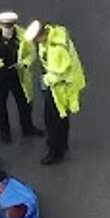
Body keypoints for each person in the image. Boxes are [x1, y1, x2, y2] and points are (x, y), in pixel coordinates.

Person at [0, 11, 41, 144]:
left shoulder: (23, 35)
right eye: (5, 25)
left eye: (10, 25)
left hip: (18, 75)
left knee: (25, 103)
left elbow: (32, 53)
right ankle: (5, 133)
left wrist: (23, 63)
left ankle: (27, 127)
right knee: (0, 105)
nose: (8, 28)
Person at [34, 21, 86, 165]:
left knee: (52, 119)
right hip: (63, 85)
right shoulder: (56, 35)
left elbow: (60, 73)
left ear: (41, 35)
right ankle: (62, 144)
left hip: (60, 87)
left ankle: (55, 151)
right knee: (62, 117)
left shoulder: (56, 49)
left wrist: (46, 80)